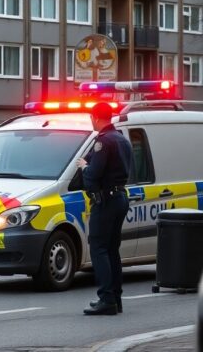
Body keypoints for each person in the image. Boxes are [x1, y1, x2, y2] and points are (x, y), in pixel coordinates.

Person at [76, 102, 132, 316]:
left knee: (99, 248)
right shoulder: (121, 138)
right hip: (120, 197)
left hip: (106, 200)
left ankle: (106, 298)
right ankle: (116, 298)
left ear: (95, 117)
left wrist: (84, 167)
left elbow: (93, 174)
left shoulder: (103, 141)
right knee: (111, 249)